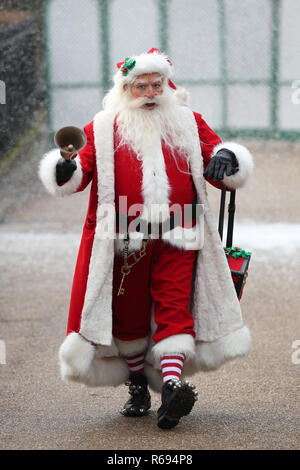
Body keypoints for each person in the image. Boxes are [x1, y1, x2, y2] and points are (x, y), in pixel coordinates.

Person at [39, 48, 253, 430]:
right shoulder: (103, 127)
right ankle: (138, 383)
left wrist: (227, 159)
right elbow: (78, 173)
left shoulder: (188, 121)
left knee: (175, 306)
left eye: (157, 85)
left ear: (167, 85)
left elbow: (217, 155)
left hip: (181, 233)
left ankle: (172, 387)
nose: (151, 93)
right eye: (142, 86)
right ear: (126, 88)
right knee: (129, 318)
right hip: (125, 240)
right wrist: (64, 166)